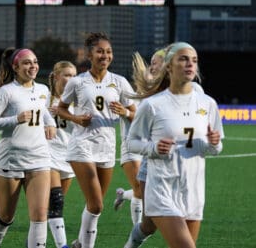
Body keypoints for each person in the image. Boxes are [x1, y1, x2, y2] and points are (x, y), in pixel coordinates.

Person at [125, 42, 224, 248]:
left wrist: (213, 144)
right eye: (183, 59)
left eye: (194, 60)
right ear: (169, 67)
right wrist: (153, 148)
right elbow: (131, 142)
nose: (190, 64)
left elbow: (215, 148)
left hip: (193, 190)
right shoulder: (152, 104)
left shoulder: (207, 103)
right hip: (161, 186)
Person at [57, 32, 136, 248]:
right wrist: (76, 119)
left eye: (108, 51)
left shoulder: (119, 82)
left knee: (94, 207)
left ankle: (79, 243)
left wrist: (125, 112)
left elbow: (136, 113)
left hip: (107, 147)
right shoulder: (77, 82)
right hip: (82, 146)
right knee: (97, 204)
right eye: (100, 51)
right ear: (89, 55)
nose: (105, 55)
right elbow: (61, 109)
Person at [0, 47, 56, 248]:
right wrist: (16, 119)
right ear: (15, 67)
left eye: (35, 61)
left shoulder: (43, 90)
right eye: (27, 62)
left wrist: (51, 123)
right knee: (6, 215)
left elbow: (44, 111)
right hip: (10, 160)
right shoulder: (6, 92)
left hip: (39, 158)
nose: (33, 66)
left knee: (40, 215)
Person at [113, 49, 166, 220]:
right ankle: (137, 230)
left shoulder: (160, 97)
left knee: (145, 190)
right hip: (131, 146)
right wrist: (126, 113)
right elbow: (139, 119)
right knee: (139, 190)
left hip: (149, 149)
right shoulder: (130, 97)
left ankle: (123, 195)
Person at [46, 61, 77, 248]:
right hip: (48, 155)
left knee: (49, 208)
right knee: (56, 201)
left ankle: (31, 242)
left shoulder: (78, 101)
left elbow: (84, 125)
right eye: (67, 75)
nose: (71, 79)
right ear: (57, 76)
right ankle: (62, 246)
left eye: (74, 75)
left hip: (69, 156)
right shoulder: (45, 99)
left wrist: (68, 115)